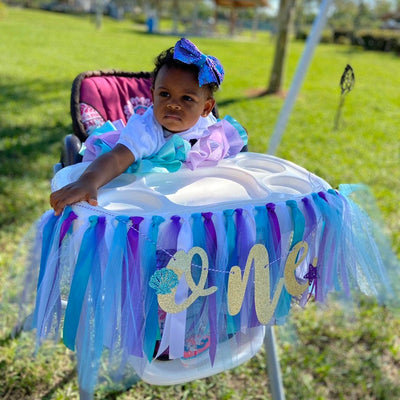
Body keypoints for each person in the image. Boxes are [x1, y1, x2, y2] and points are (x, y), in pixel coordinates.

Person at [50, 38, 244, 216]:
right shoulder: (147, 129)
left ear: (206, 108)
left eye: (187, 98)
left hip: (191, 198)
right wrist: (88, 181)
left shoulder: (208, 127)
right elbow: (117, 159)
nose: (173, 104)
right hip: (146, 201)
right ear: (152, 96)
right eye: (165, 94)